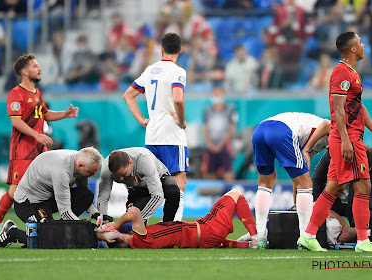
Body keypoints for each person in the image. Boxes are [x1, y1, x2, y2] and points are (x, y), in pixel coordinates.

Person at [297, 31, 372, 253]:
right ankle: (362, 241)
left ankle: (308, 236)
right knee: (363, 186)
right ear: (353, 49)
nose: (364, 45)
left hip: (350, 137)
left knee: (334, 188)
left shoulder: (352, 74)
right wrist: (347, 140)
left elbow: (357, 107)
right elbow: (338, 110)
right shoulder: (341, 73)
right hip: (347, 138)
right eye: (360, 42)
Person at [0, 54, 79, 241]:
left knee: (46, 188)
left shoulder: (38, 93)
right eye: (35, 66)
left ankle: (47, 221)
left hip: (40, 152)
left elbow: (44, 114)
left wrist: (65, 114)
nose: (39, 69)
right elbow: (15, 121)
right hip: (23, 151)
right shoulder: (16, 93)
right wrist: (37, 135)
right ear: (24, 71)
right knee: (15, 192)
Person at [123, 33, 188, 221]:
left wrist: (142, 120)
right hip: (172, 135)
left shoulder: (150, 70)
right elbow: (178, 98)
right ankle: (173, 226)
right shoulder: (178, 71)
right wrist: (182, 121)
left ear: (161, 48)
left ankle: (138, 222)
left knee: (150, 182)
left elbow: (128, 95)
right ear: (181, 50)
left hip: (152, 136)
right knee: (178, 182)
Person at [0, 147, 106, 248]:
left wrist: (95, 215)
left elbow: (84, 193)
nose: (93, 175)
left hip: (47, 200)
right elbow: (65, 212)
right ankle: (12, 232)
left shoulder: (80, 161)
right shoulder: (61, 171)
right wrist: (88, 231)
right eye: (91, 172)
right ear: (80, 165)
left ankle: (56, 231)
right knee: (48, 238)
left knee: (86, 195)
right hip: (27, 203)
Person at [252, 112, 331, 249]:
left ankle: (260, 237)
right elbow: (327, 124)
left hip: (260, 130)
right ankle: (306, 238)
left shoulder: (320, 142)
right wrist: (306, 150)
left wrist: (297, 206)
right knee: (306, 183)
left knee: (266, 182)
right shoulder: (337, 133)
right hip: (281, 130)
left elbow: (298, 181)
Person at [97, 189, 258, 249]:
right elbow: (134, 212)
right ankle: (256, 237)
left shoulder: (143, 244)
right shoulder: (140, 240)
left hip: (204, 239)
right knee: (235, 194)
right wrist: (116, 225)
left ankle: (249, 245)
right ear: (123, 236)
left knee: (220, 242)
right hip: (207, 229)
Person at [97, 148, 180, 223]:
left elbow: (158, 196)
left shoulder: (144, 160)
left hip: (159, 179)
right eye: (118, 176)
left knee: (173, 191)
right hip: (136, 189)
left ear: (130, 163)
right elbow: (103, 197)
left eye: (123, 174)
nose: (121, 179)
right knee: (130, 226)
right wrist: (102, 223)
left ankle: (167, 225)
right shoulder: (106, 169)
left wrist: (138, 220)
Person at [312, 146, 372, 225]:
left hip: (362, 203)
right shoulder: (331, 156)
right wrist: (319, 208)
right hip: (334, 201)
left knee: (366, 224)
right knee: (328, 224)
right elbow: (317, 181)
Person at [201, 86, 238, 181]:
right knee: (211, 173)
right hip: (211, 146)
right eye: (214, 94)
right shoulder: (207, 111)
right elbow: (205, 128)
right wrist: (210, 144)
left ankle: (230, 194)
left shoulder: (230, 109)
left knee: (228, 172)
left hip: (225, 146)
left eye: (218, 94)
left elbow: (231, 128)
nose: (216, 97)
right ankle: (212, 195)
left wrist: (221, 144)